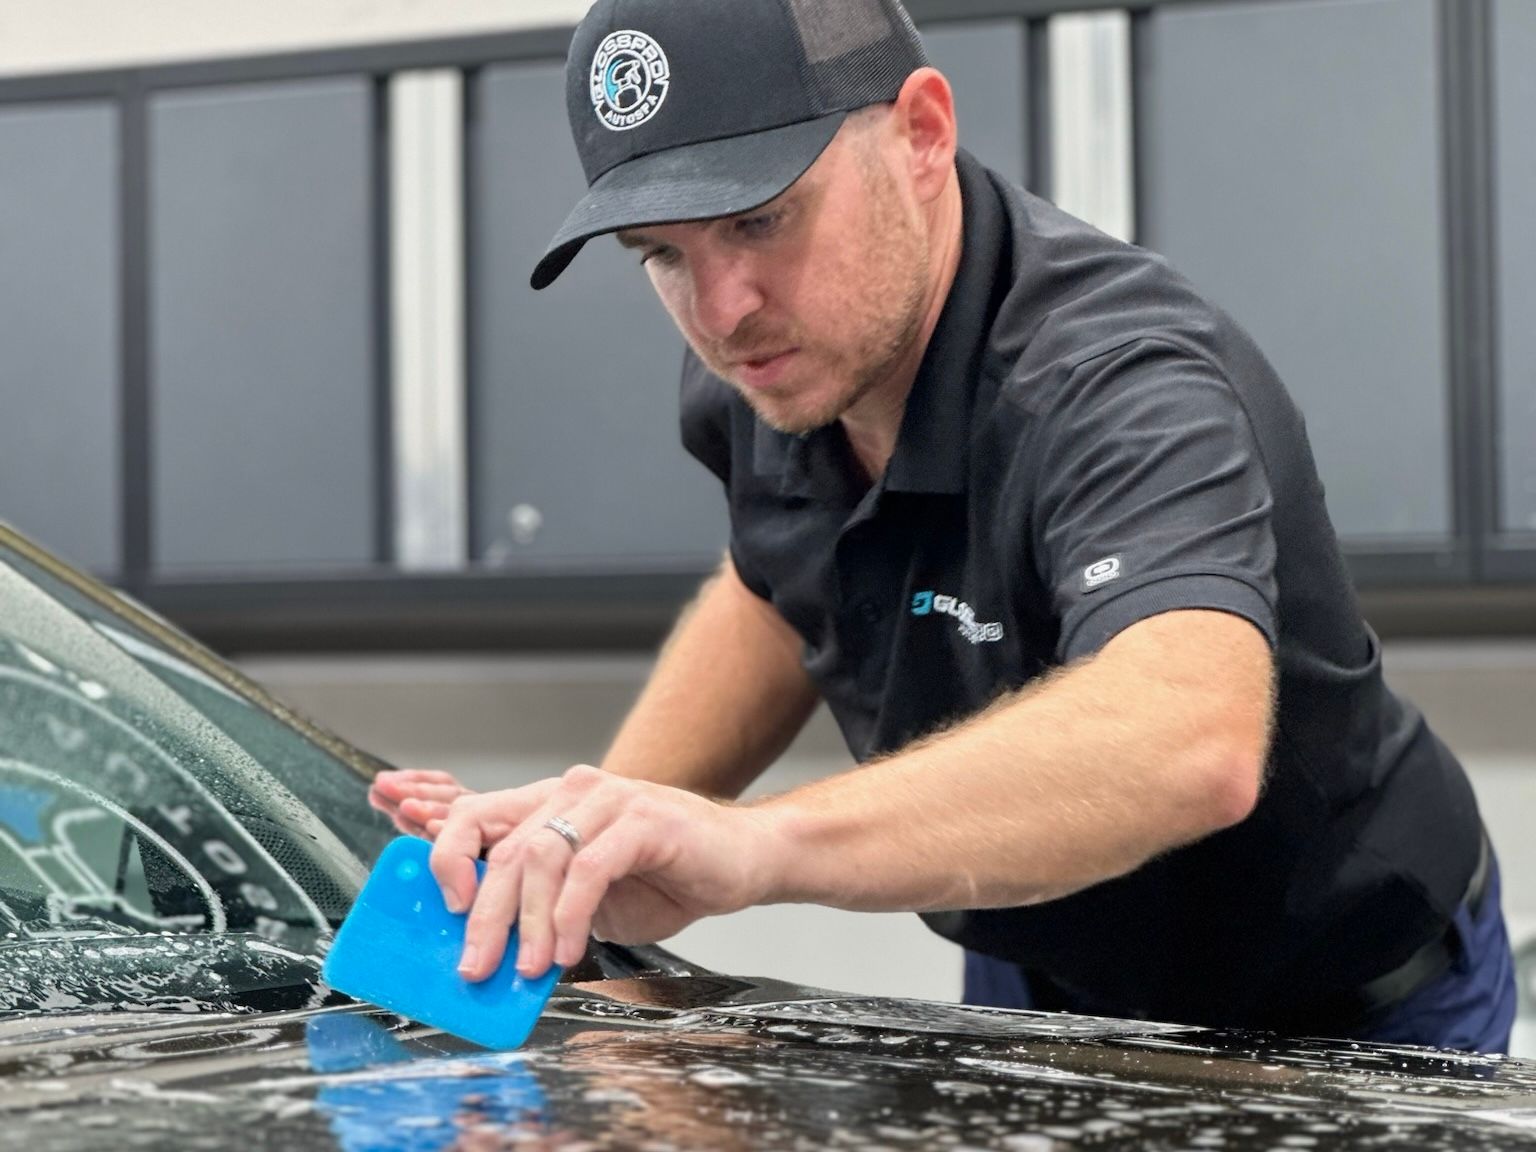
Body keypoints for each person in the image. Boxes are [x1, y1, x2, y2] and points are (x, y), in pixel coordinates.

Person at [371, 0, 1517, 1051]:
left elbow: (1188, 738)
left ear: (920, 131)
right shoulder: (777, 367)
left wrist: (753, 847)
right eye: (664, 254)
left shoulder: (1115, 379)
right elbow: (780, 583)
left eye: (763, 218)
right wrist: (587, 838)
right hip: (1041, 964)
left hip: (1341, 1006)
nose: (720, 313)